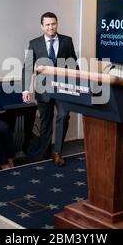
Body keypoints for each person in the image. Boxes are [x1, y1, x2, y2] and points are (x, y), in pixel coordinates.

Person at [22, 12, 78, 166]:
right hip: (43, 90)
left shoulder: (67, 41)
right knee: (45, 122)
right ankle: (45, 153)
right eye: (47, 24)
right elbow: (27, 67)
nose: (51, 27)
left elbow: (74, 65)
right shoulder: (34, 43)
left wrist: (77, 86)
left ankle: (58, 152)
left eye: (53, 23)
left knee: (63, 116)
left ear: (57, 24)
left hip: (63, 89)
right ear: (42, 26)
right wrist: (25, 90)